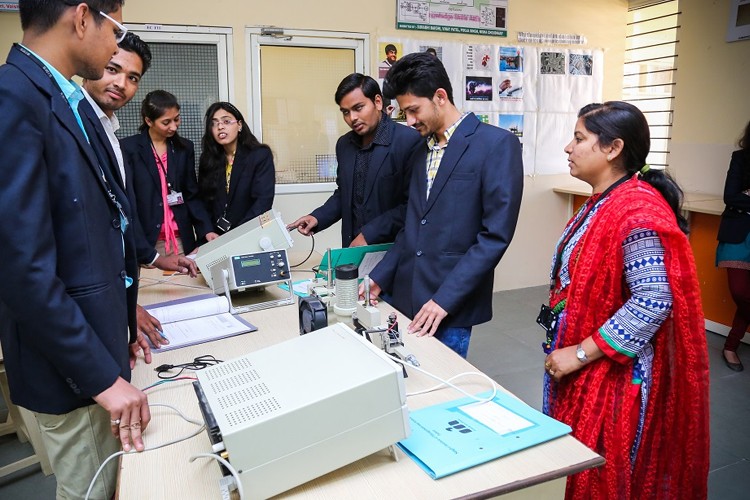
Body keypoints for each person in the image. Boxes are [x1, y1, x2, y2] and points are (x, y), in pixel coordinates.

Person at [0, 2, 151, 498]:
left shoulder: (69, 100)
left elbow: (95, 230)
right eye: (117, 29)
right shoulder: (13, 97)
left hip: (95, 344)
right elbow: (22, 267)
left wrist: (122, 322)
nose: (116, 44)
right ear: (83, 18)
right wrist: (102, 378)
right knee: (93, 489)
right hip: (71, 373)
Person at [541, 101, 709, 499]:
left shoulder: (637, 210)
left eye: (580, 139)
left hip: (614, 374)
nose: (569, 147)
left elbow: (652, 300)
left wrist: (580, 354)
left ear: (613, 148)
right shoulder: (606, 200)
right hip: (585, 361)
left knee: (605, 474)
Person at [363, 52, 523, 358]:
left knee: (441, 389)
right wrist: (379, 277)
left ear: (440, 96)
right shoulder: (420, 151)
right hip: (406, 295)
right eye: (403, 113)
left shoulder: (496, 145)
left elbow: (495, 236)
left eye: (413, 110)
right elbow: (412, 227)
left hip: (449, 305)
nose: (409, 121)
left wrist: (444, 300)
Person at [81, 32, 197, 350]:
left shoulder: (108, 130)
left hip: (133, 273)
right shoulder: (80, 129)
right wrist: (126, 307)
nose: (121, 83)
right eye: (112, 69)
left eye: (132, 77)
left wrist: (154, 259)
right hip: (89, 310)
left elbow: (120, 211)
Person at [287, 73, 422, 247]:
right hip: (352, 251)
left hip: (394, 251)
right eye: (345, 112)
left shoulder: (408, 141)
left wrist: (369, 234)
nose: (352, 118)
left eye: (358, 108)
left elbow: (413, 206)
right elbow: (344, 194)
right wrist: (317, 217)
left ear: (378, 102)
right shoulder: (344, 145)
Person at [121, 90, 218, 258]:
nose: (174, 126)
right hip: (147, 240)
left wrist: (206, 229)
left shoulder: (184, 148)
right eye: (166, 122)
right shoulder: (128, 149)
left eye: (176, 119)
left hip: (181, 240)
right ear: (149, 121)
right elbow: (128, 199)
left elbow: (191, 194)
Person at [198, 101, 275, 234]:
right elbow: (204, 202)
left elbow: (262, 202)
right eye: (214, 123)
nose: (220, 127)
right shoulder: (208, 160)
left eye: (226, 122)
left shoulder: (259, 155)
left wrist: (237, 234)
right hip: (216, 236)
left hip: (249, 232)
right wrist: (208, 231)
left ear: (239, 125)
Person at [716, 120, 750, 371]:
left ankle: (730, 346)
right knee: (741, 293)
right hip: (738, 233)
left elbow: (741, 197)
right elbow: (731, 196)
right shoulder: (740, 158)